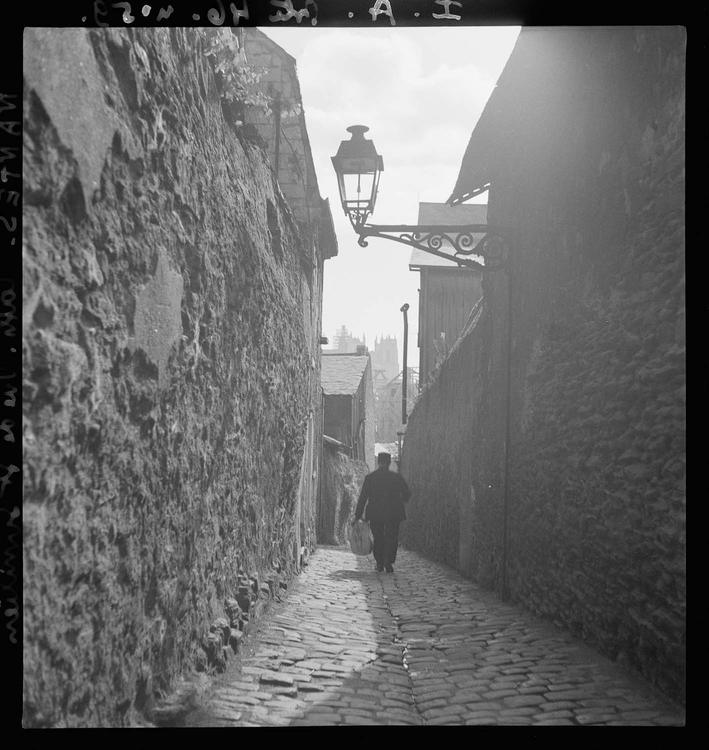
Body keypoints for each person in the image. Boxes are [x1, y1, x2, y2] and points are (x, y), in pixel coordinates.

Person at [353, 452, 411, 573]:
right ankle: (388, 562)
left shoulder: (370, 478)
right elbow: (407, 494)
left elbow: (363, 498)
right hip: (393, 513)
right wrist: (401, 500)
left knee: (378, 537)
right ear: (389, 463)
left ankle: (379, 562)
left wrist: (357, 516)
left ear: (378, 462)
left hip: (376, 513)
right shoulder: (396, 477)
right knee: (392, 537)